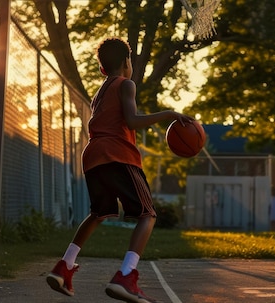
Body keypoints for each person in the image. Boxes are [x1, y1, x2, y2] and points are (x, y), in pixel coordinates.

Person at [46, 37, 194, 302]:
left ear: (102, 69)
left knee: (98, 214)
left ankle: (64, 266)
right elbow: (132, 121)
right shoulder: (126, 84)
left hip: (93, 156)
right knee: (147, 214)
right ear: (128, 62)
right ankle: (126, 275)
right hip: (117, 154)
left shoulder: (99, 93)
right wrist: (170, 114)